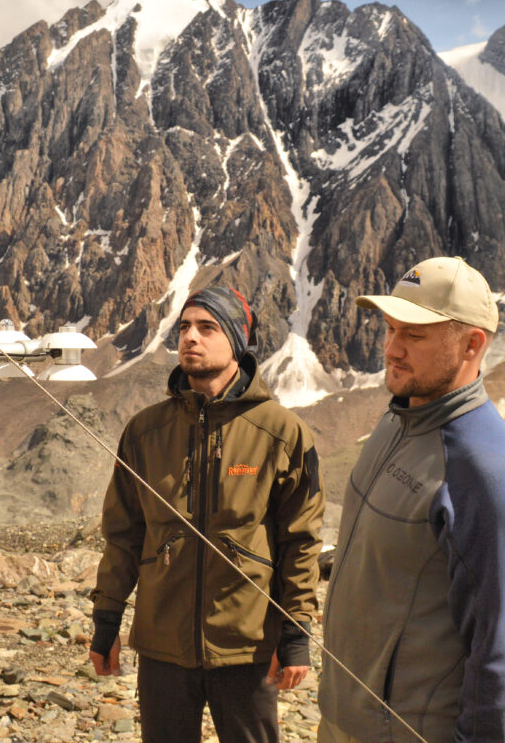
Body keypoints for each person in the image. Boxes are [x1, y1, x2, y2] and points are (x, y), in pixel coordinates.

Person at [317, 256, 505, 743]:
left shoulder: (487, 476)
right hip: (342, 722)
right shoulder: (396, 421)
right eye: (390, 328)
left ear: (472, 345)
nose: (392, 349)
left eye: (415, 335)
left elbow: (504, 657)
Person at [89, 284, 325, 743]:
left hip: (247, 646)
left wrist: (295, 634)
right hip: (162, 647)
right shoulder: (145, 431)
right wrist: (106, 621)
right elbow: (123, 537)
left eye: (207, 327)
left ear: (236, 340)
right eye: (184, 327)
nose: (190, 337)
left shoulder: (282, 432)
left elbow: (300, 541)